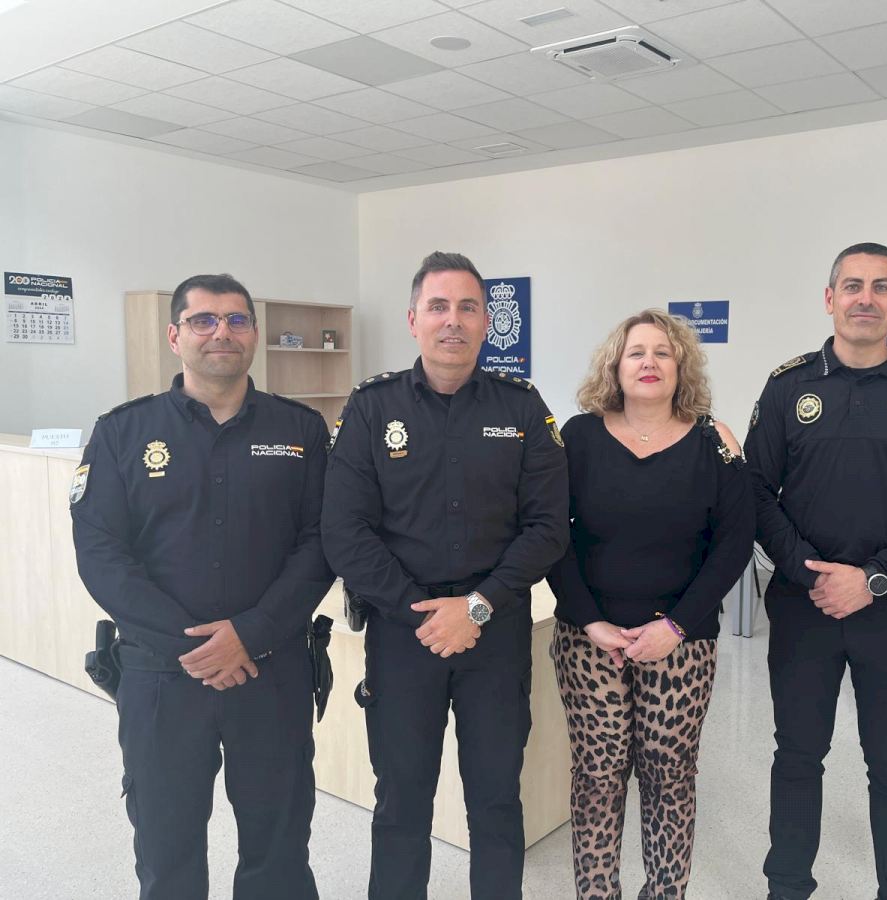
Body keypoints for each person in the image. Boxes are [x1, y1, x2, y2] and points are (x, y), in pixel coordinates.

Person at [70, 273, 333, 900]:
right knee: (167, 851)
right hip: (162, 675)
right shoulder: (122, 433)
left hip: (272, 670)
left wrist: (251, 633)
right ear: (174, 336)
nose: (222, 332)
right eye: (203, 320)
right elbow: (101, 553)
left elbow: (322, 543)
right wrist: (196, 645)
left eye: (237, 320)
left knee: (278, 850)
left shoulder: (302, 431)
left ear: (255, 334)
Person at [321, 251, 569, 900]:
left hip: (496, 634)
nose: (452, 320)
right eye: (438, 306)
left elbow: (549, 527)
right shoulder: (372, 408)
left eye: (467, 307)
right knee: (401, 800)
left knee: (496, 799)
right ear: (413, 320)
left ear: (487, 322)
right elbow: (344, 530)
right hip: (404, 636)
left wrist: (477, 607)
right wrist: (421, 614)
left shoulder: (523, 407)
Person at [744, 242, 887, 900]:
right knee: (797, 756)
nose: (865, 299)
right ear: (830, 299)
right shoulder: (788, 387)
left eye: (880, 287)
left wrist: (873, 578)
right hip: (804, 607)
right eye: (852, 286)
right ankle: (787, 887)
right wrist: (808, 571)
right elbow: (753, 491)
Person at [547, 309, 755, 899]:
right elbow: (552, 534)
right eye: (636, 352)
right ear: (615, 365)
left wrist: (678, 626)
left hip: (681, 642)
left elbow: (736, 542)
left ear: (681, 366)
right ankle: (596, 892)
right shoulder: (578, 437)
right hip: (590, 641)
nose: (649, 362)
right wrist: (591, 620)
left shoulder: (715, 441)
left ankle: (665, 892)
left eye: (663, 352)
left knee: (670, 777)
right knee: (597, 775)